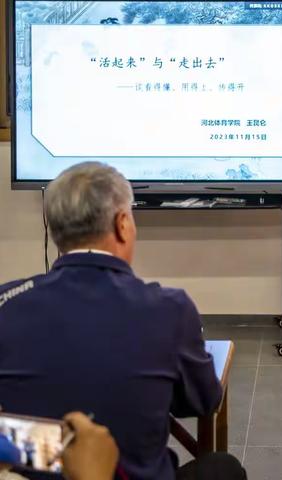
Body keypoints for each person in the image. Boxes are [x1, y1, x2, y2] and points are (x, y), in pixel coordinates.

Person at [0, 162, 247, 480]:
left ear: (55, 229)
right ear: (122, 224)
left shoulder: (6, 302)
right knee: (221, 468)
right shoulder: (169, 308)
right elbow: (203, 400)